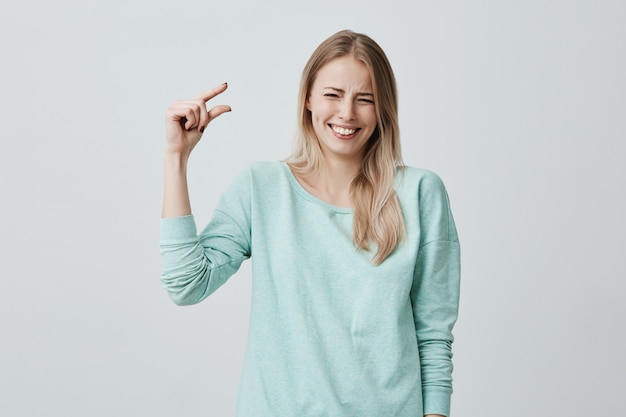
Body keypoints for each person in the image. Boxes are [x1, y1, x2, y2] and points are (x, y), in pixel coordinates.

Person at [160, 29, 460, 417]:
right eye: (333, 95)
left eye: (365, 99)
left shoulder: (421, 194)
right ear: (308, 100)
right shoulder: (262, 187)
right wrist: (175, 158)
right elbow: (187, 284)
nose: (347, 113)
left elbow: (433, 336)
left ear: (383, 108)